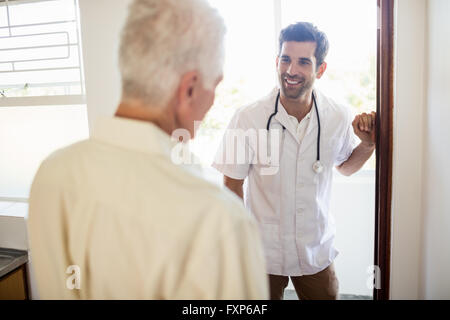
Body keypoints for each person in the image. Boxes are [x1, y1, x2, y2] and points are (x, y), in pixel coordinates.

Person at [28, 0, 268, 300]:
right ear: (189, 89)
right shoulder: (219, 221)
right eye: (215, 86)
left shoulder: (52, 172)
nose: (212, 101)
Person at [212, 22, 376, 300]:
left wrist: (368, 143)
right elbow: (232, 184)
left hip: (315, 249)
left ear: (320, 69)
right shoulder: (248, 117)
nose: (291, 70)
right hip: (262, 251)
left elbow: (346, 167)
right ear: (277, 61)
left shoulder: (337, 115)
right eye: (286, 59)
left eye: (303, 62)